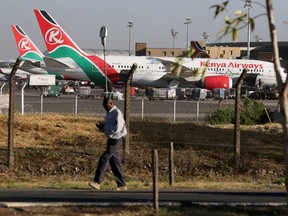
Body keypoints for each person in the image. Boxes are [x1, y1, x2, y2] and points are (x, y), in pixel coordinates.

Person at [89, 97, 127, 190]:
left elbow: (117, 129)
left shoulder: (117, 113)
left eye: (106, 106)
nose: (105, 108)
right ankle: (122, 185)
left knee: (104, 158)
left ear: (111, 103)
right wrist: (102, 127)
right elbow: (108, 128)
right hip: (111, 139)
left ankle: (97, 181)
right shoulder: (109, 113)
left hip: (117, 139)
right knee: (115, 162)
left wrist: (105, 126)